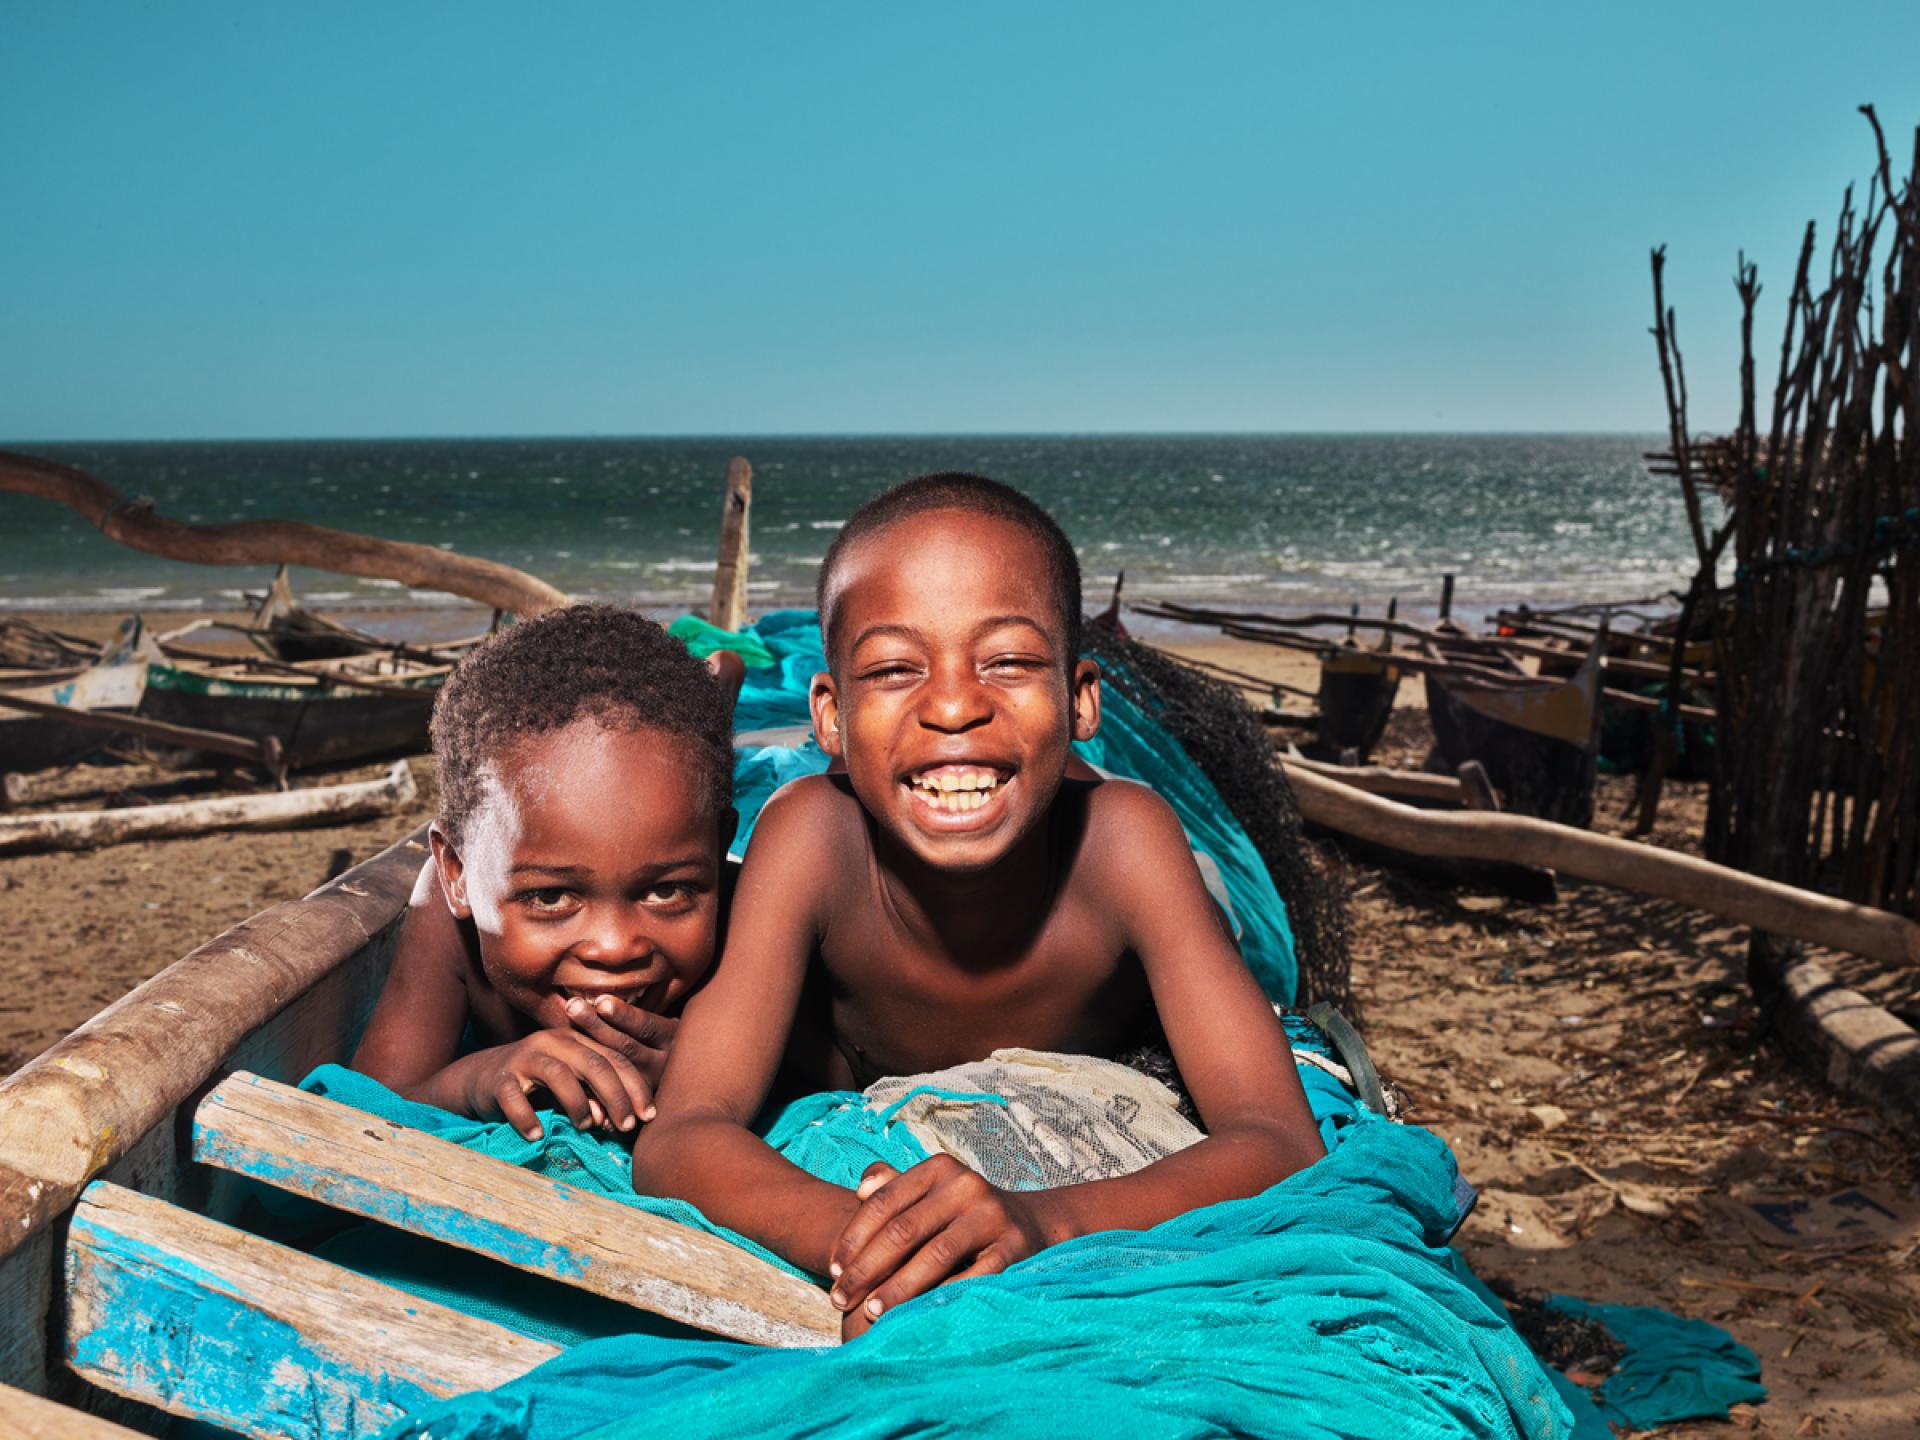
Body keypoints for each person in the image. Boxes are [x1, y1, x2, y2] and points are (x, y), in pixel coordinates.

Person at [631, 473, 1326, 1340]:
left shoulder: (1126, 845)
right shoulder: (811, 839)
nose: (955, 705)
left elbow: (1280, 1139)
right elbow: (682, 1134)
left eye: (1007, 660)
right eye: (893, 668)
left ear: (1080, 700)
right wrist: (884, 1246)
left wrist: (1040, 1222)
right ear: (830, 717)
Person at [351, 605, 738, 1142]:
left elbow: (831, 1073)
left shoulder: (753, 923)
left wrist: (711, 1074)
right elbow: (364, 1111)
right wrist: (472, 1081)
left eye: (665, 890)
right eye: (552, 898)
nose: (614, 946)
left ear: (719, 856)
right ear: (457, 873)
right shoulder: (447, 921)